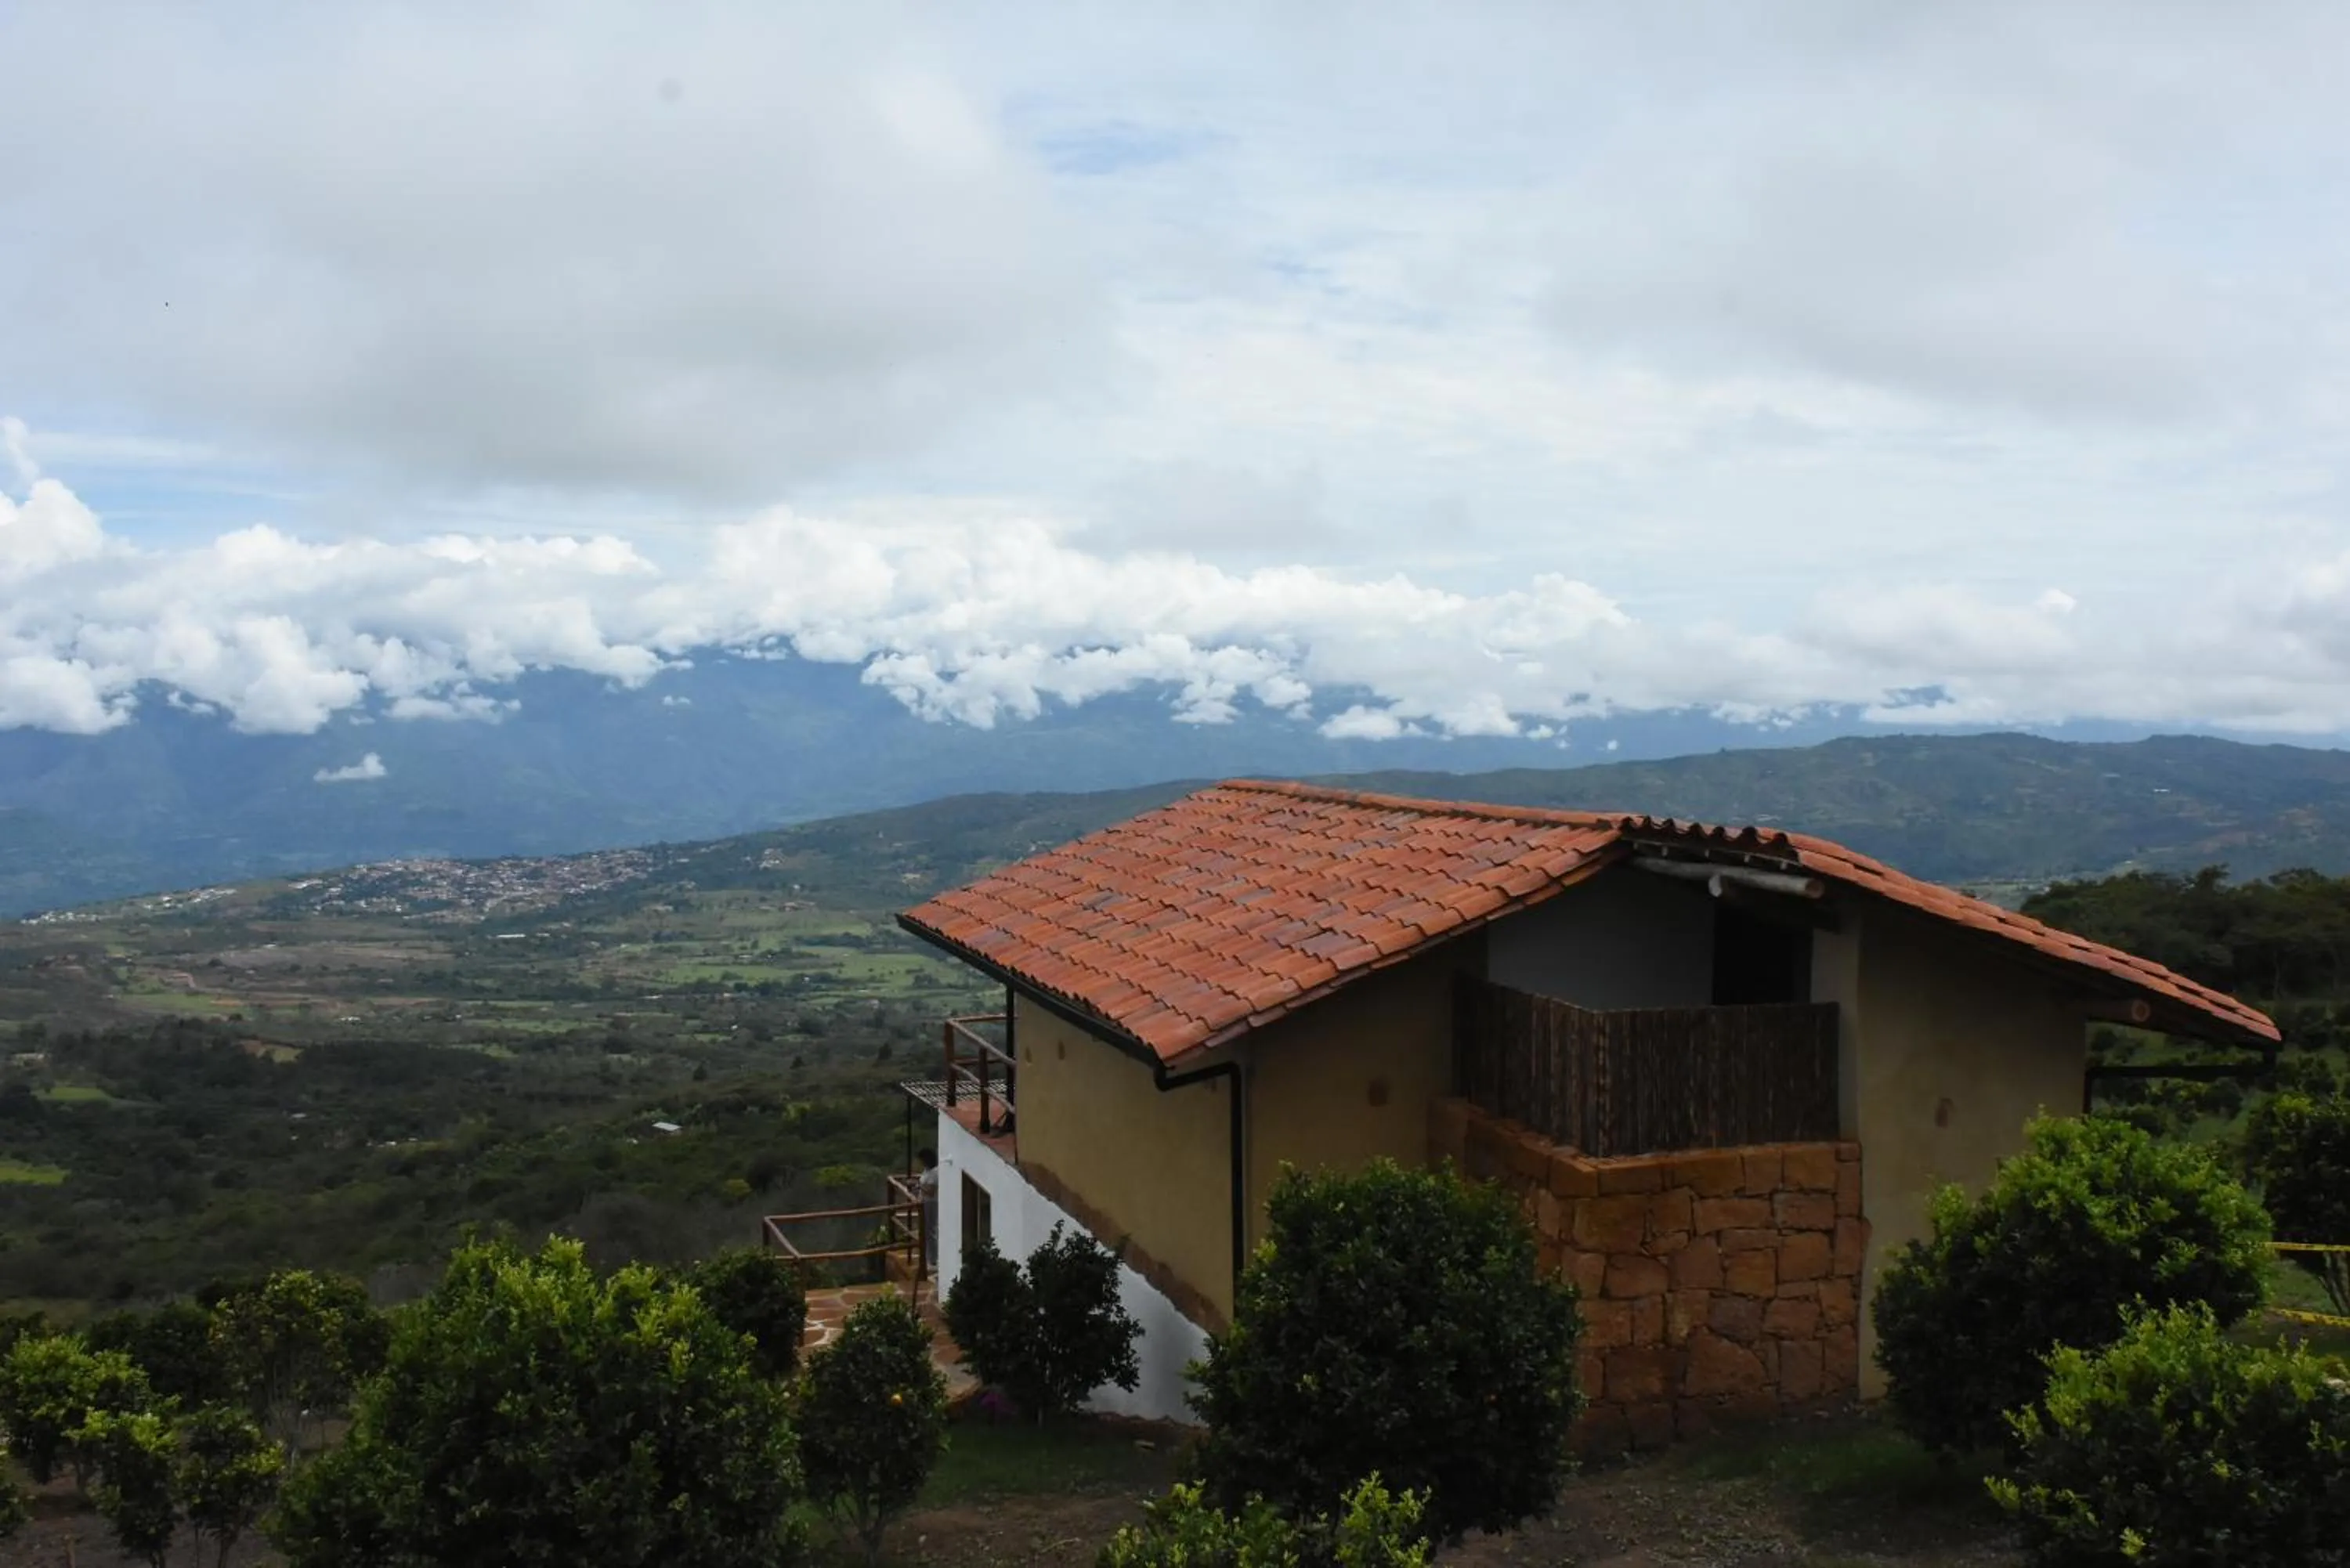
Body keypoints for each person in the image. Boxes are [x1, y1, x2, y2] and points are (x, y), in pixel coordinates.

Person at [916, 1146, 938, 1274]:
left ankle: (933, 1259)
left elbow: (931, 1191)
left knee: (930, 1230)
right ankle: (928, 1256)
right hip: (924, 1201)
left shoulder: (935, 1172)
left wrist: (920, 1186)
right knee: (925, 1230)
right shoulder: (926, 1170)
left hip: (931, 1203)